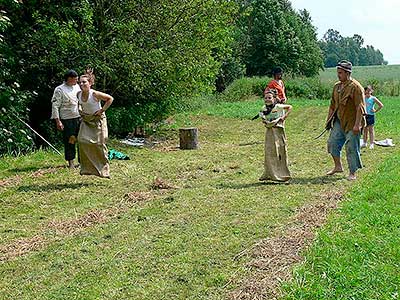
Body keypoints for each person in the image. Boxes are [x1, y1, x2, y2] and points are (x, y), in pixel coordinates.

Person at [326, 60, 366, 181]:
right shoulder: (336, 86)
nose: (338, 75)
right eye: (338, 72)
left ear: (347, 73)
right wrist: (328, 121)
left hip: (353, 121)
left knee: (351, 147)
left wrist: (357, 125)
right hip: (339, 120)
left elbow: (360, 107)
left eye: (340, 73)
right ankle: (338, 166)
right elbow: (332, 105)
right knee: (332, 143)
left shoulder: (356, 87)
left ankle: (352, 172)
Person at [77, 69, 113, 178]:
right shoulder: (78, 94)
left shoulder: (95, 94)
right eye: (80, 82)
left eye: (84, 82)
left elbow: (110, 99)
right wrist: (80, 110)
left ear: (90, 83)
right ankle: (87, 169)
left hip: (98, 120)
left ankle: (104, 171)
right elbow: (79, 103)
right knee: (81, 140)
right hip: (87, 120)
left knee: (99, 144)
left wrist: (101, 110)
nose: (81, 84)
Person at [259, 88, 292, 182]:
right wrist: (265, 121)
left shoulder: (278, 106)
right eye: (265, 98)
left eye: (269, 97)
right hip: (269, 132)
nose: (267, 99)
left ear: (274, 98)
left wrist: (283, 117)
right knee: (269, 151)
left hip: (279, 131)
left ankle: (282, 173)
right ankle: (269, 172)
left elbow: (290, 107)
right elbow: (263, 119)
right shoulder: (263, 109)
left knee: (280, 151)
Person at [51, 69, 81, 169]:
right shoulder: (59, 89)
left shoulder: (77, 87)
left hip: (78, 116)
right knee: (70, 140)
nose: (76, 81)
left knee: (81, 139)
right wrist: (58, 121)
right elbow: (55, 106)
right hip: (67, 118)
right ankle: (71, 162)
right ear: (69, 78)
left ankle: (82, 162)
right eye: (75, 79)